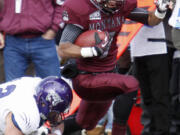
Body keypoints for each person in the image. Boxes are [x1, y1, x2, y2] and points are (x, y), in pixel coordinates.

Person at [54, 0, 169, 135]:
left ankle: (48, 131)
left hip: (107, 75)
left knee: (85, 123)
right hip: (86, 77)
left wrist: (160, 11)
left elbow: (150, 19)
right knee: (130, 84)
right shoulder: (82, 8)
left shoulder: (121, 7)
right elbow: (64, 48)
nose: (115, 3)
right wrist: (90, 51)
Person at [0, 0, 65, 82]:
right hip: (12, 42)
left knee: (53, 86)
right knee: (12, 89)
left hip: (43, 42)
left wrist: (54, 29)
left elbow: (62, 4)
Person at [0, 76, 72, 135]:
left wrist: (56, 133)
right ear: (43, 104)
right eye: (55, 113)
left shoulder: (39, 84)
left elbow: (57, 121)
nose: (57, 116)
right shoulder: (29, 114)